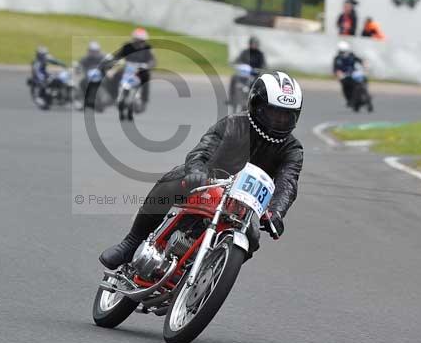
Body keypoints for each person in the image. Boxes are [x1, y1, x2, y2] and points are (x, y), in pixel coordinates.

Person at [99, 72, 304, 269]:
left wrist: (276, 212)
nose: (279, 120)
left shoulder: (292, 149)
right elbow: (203, 149)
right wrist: (197, 170)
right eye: (273, 112)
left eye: (286, 115)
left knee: (253, 238)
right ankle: (130, 243)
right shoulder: (233, 124)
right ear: (256, 105)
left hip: (243, 205)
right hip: (208, 183)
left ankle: (212, 275)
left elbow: (288, 182)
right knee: (174, 179)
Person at [104, 27, 156, 104]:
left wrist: (148, 66)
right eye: (137, 40)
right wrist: (110, 62)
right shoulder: (127, 46)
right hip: (127, 67)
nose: (139, 42)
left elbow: (152, 60)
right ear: (134, 39)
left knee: (146, 78)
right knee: (116, 76)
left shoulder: (147, 48)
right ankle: (113, 96)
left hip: (141, 69)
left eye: (142, 41)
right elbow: (118, 56)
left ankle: (144, 99)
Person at [228, 35, 266, 105]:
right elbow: (238, 60)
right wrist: (238, 65)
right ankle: (231, 98)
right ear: (250, 44)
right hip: (243, 74)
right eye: (253, 44)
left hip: (254, 75)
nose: (254, 45)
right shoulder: (244, 52)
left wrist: (259, 70)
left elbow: (263, 65)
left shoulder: (260, 54)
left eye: (255, 44)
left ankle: (256, 101)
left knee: (259, 84)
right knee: (234, 77)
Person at [333, 40, 364, 106]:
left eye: (344, 51)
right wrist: (338, 73)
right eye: (341, 51)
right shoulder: (337, 58)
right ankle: (349, 100)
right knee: (345, 86)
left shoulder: (351, 55)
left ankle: (364, 93)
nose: (343, 53)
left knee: (362, 80)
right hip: (344, 76)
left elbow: (359, 60)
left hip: (353, 73)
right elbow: (336, 69)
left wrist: (364, 63)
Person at [78, 41, 106, 109]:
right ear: (89, 51)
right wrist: (79, 70)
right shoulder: (84, 59)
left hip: (100, 77)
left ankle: (108, 99)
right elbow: (80, 66)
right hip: (88, 78)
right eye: (92, 51)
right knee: (81, 83)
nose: (94, 53)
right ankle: (83, 101)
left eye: (95, 51)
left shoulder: (103, 58)